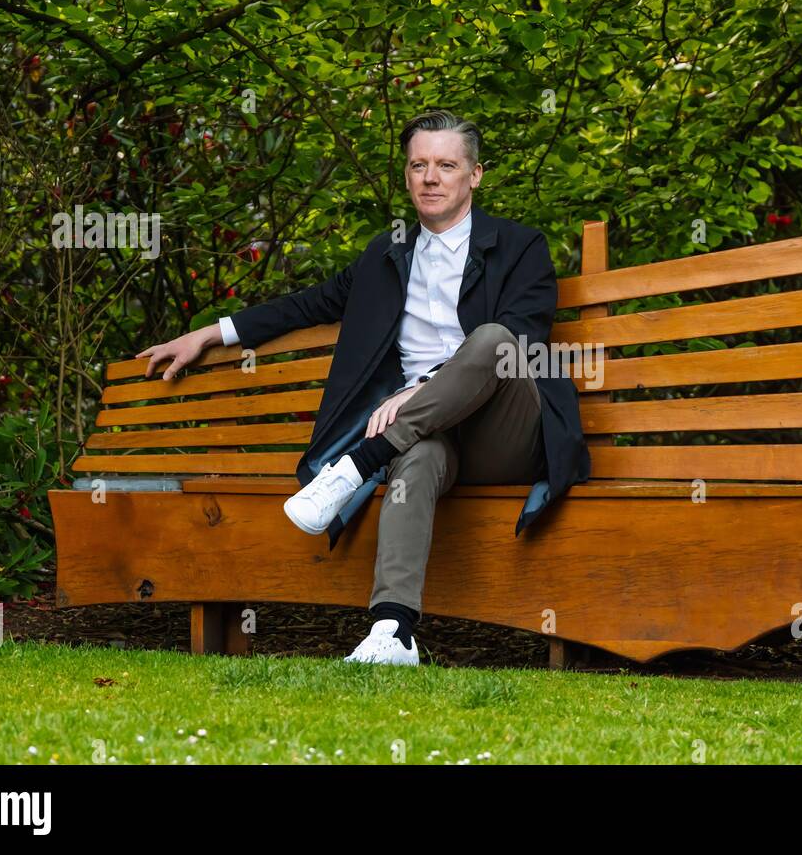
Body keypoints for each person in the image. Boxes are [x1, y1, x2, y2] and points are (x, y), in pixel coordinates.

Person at [136, 109, 590, 666]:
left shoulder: (520, 246)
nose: (430, 177)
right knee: (416, 456)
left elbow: (522, 337)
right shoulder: (386, 254)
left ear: (474, 175)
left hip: (506, 433)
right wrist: (210, 333)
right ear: (406, 175)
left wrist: (417, 389)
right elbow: (307, 304)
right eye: (418, 165)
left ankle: (354, 467)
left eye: (446, 165)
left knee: (493, 338)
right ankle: (392, 633)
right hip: (425, 435)